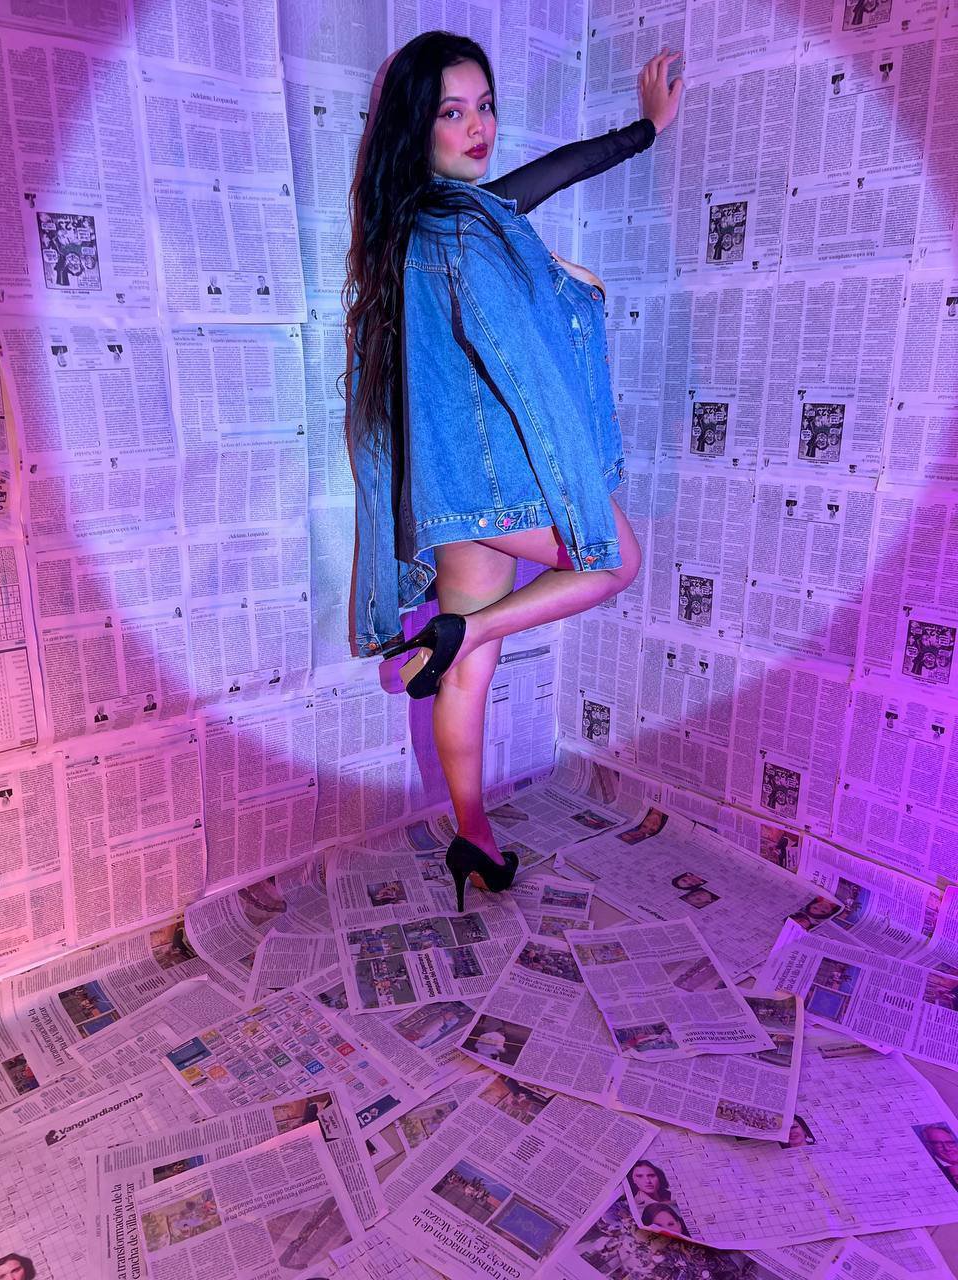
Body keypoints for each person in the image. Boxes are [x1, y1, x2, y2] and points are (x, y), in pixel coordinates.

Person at [346, 31, 682, 911]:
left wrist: (642, 131)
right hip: (496, 479)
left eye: (485, 106)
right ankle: (459, 631)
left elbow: (553, 173)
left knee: (469, 673)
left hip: (447, 488)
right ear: (417, 126)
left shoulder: (415, 223)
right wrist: (569, 285)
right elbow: (520, 362)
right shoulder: (461, 230)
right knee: (614, 560)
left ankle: (475, 837)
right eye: (452, 111)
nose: (478, 127)